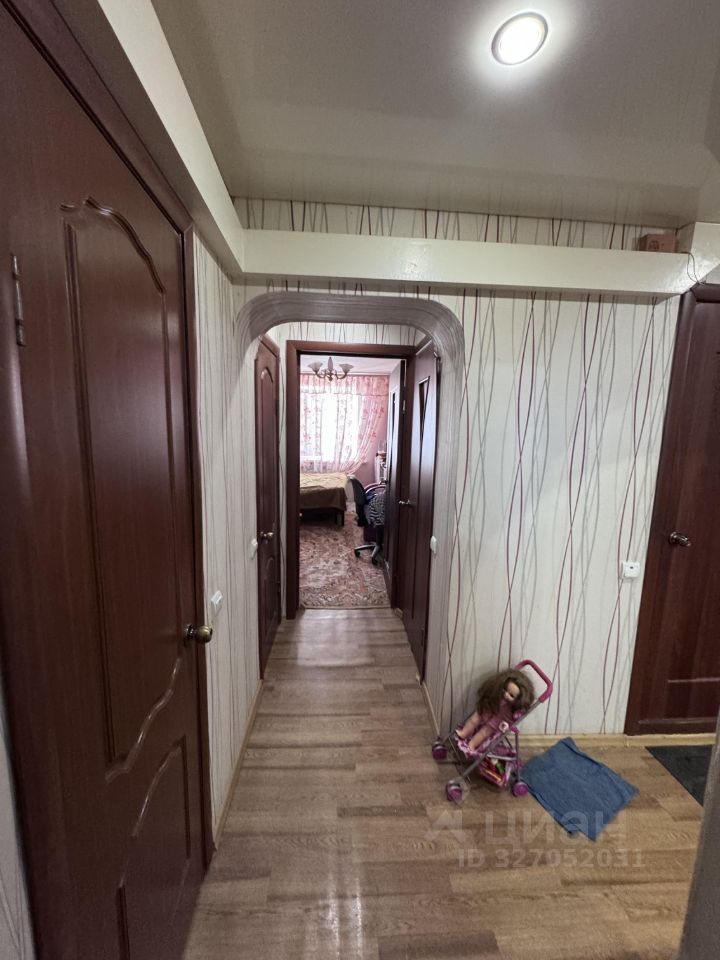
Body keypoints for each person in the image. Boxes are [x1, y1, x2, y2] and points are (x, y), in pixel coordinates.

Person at [454, 668, 535, 754]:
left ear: (518, 700)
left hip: (497, 720)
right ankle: (464, 732)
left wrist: (516, 715)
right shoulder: (497, 693)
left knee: (484, 733)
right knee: (473, 720)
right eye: (505, 689)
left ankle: (472, 744)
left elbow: (516, 715)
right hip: (488, 709)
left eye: (511, 695)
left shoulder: (513, 707)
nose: (506, 694)